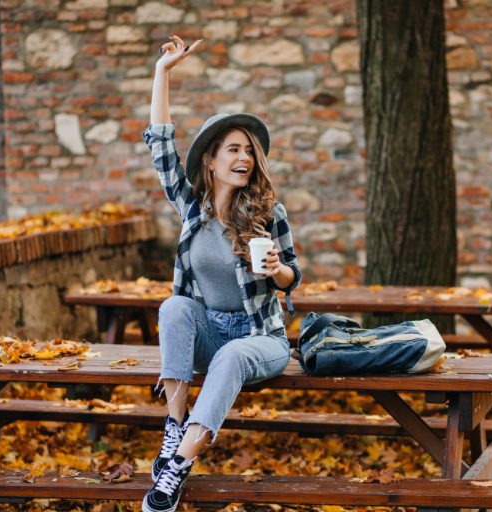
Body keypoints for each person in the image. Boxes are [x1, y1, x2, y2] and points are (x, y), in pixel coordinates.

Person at [140, 35, 301, 512]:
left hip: (261, 339)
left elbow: (295, 275)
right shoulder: (193, 209)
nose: (243, 159)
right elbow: (160, 143)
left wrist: (277, 271)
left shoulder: (270, 213)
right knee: (174, 307)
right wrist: (162, 73)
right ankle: (174, 426)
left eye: (248, 151)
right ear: (210, 160)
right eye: (233, 150)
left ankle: (175, 470)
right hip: (212, 331)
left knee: (232, 354)